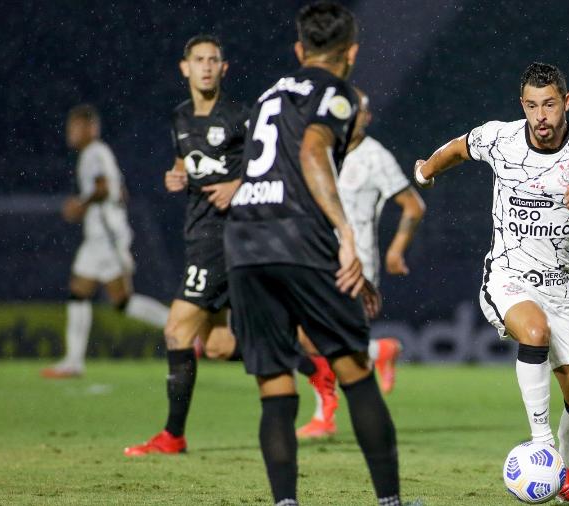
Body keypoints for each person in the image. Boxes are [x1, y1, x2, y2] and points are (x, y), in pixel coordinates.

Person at [413, 62, 569, 504]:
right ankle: (541, 443)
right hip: (508, 276)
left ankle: (566, 478)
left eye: (548, 105)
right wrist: (425, 172)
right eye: (531, 106)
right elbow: (459, 147)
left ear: (566, 102)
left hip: (563, 286)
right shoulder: (500, 138)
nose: (540, 116)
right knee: (534, 330)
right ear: (521, 105)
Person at [224, 3, 402, 505]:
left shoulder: (267, 95)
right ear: (351, 54)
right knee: (352, 369)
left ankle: (285, 503)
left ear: (300, 50)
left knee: (275, 387)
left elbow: (257, 168)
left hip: (244, 239)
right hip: (297, 237)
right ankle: (389, 501)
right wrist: (345, 232)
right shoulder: (338, 93)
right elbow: (312, 150)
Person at [124, 35, 247, 457]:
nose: (207, 66)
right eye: (199, 60)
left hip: (223, 236)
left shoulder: (239, 117)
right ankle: (312, 362)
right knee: (218, 346)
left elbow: (273, 170)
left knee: (177, 329)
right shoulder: (179, 118)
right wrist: (173, 177)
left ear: (224, 68)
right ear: (185, 68)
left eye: (215, 59)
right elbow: (184, 166)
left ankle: (172, 436)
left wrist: (238, 184)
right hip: (198, 232)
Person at [296, 87, 426, 439]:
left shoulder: (375, 157)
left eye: (364, 111)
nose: (358, 116)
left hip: (357, 265)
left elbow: (414, 205)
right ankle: (377, 351)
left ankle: (325, 415)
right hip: (317, 257)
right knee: (310, 339)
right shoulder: (320, 148)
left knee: (311, 337)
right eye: (352, 109)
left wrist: (396, 250)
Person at [41, 105, 169, 379]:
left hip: (105, 237)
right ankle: (73, 361)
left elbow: (102, 189)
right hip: (103, 235)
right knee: (83, 293)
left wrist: (80, 204)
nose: (70, 133)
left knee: (119, 300)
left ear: (90, 128)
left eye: (75, 127)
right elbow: (119, 192)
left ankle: (178, 326)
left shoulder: (93, 153)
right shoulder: (100, 153)